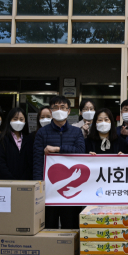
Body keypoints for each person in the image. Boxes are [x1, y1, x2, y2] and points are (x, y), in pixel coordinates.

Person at [33, 96, 86, 229]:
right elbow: (38, 162)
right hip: (50, 190)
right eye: (55, 107)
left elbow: (80, 152)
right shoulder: (42, 133)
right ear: (51, 111)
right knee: (49, 225)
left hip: (71, 189)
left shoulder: (76, 132)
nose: (59, 110)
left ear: (69, 111)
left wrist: (58, 149)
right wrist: (39, 187)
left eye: (63, 107)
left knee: (71, 225)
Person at [0, 107, 34, 181]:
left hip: (24, 183)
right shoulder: (1, 138)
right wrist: (11, 179)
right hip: (5, 182)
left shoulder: (28, 139)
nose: (18, 121)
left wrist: (24, 179)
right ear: (10, 120)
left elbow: (30, 162)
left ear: (25, 121)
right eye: (15, 119)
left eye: (21, 119)